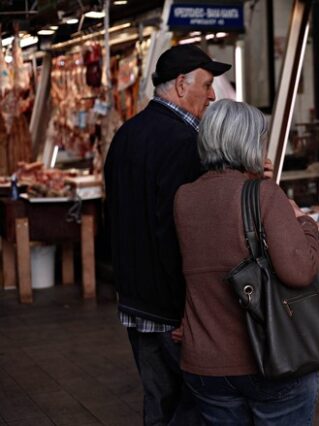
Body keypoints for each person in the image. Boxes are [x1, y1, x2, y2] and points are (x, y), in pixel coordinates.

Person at [104, 44, 231, 425]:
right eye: (207, 85)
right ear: (180, 84)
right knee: (194, 405)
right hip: (171, 309)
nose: (212, 95)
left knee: (158, 401)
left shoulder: (125, 135)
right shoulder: (185, 143)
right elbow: (178, 233)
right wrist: (187, 309)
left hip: (135, 300)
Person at [173, 99, 319, 425]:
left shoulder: (183, 197)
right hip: (267, 360)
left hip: (205, 366)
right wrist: (306, 224)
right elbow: (299, 271)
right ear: (249, 142)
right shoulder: (265, 194)